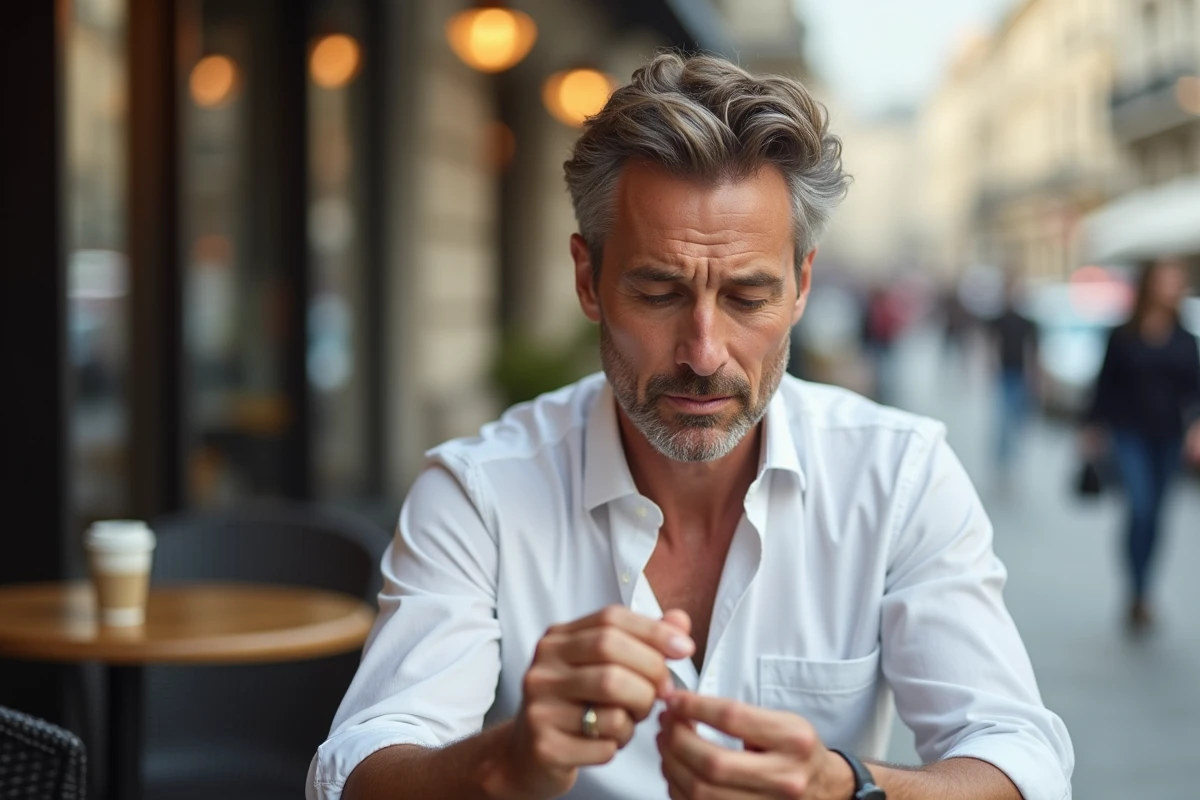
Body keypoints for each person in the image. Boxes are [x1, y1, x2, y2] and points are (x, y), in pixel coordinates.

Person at [308, 53, 1072, 800]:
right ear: (588, 280)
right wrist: (503, 765)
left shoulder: (899, 477)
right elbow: (360, 767)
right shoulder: (478, 493)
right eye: (658, 291)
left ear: (801, 286)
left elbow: (1018, 759)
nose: (704, 354)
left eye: (747, 297)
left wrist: (846, 787)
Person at [1082, 258, 1200, 633]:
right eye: (1166, 279)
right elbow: (1105, 383)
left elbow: (1195, 391)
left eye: (1176, 281)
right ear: (1149, 284)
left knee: (1158, 516)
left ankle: (1144, 590)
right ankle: (1136, 588)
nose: (1172, 287)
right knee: (1141, 507)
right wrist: (1092, 427)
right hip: (1128, 433)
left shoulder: (1185, 338)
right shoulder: (1122, 335)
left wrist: (1196, 428)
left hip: (1168, 436)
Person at [988, 275, 1038, 483]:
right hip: (1005, 375)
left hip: (1020, 376)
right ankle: (1002, 464)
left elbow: (1032, 352)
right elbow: (993, 345)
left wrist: (1034, 378)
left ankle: (1012, 461)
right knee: (1003, 422)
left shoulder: (1028, 322)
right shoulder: (999, 319)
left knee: (1017, 422)